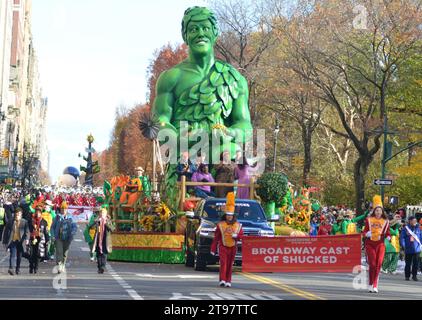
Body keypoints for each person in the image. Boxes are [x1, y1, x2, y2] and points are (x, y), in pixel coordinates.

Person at [210, 192, 243, 288]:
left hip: (233, 247)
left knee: (230, 264)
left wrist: (236, 236)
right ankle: (222, 280)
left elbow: (241, 236)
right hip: (223, 246)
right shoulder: (221, 224)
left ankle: (229, 280)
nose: (229, 217)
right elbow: (216, 237)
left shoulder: (238, 225)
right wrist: (213, 248)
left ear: (233, 216)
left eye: (231, 215)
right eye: (227, 215)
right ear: (225, 215)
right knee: (223, 263)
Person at [362, 205, 391, 293]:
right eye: (377, 210)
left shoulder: (386, 221)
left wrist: (389, 237)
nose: (378, 212)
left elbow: (388, 232)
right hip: (370, 244)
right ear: (374, 211)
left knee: (378, 264)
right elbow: (364, 232)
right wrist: (367, 234)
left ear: (382, 212)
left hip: (380, 244)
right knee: (373, 264)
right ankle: (370, 284)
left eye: (380, 211)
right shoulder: (369, 220)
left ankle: (375, 284)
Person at [51, 202, 78, 274]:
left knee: (65, 253)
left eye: (65, 208)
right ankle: (59, 265)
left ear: (67, 209)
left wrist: (72, 233)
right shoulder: (57, 217)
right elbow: (52, 227)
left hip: (67, 238)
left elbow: (74, 227)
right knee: (59, 252)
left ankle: (63, 264)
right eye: (62, 208)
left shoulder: (71, 217)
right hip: (58, 238)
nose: (63, 210)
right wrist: (53, 235)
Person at [2, 207, 30, 276]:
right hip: (13, 240)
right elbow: (6, 232)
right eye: (16, 214)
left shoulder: (24, 222)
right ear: (14, 214)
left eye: (19, 214)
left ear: (21, 215)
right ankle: (11, 268)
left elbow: (27, 231)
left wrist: (27, 239)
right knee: (12, 254)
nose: (17, 215)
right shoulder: (10, 221)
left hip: (21, 241)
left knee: (19, 256)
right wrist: (4, 242)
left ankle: (18, 269)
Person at [89, 207, 115, 274]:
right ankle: (99, 267)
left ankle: (102, 267)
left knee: (104, 253)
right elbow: (91, 227)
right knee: (98, 253)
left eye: (103, 213)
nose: (101, 214)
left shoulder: (108, 220)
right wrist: (95, 222)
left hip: (105, 239)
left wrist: (106, 223)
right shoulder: (97, 220)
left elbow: (112, 229)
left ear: (105, 214)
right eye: (100, 213)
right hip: (98, 239)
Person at [29, 208, 50, 274]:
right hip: (32, 238)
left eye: (39, 213)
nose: (37, 214)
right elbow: (28, 230)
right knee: (32, 254)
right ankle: (31, 266)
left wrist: (47, 240)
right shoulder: (31, 221)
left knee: (38, 254)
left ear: (41, 214)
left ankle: (36, 267)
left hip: (40, 239)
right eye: (36, 213)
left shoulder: (44, 222)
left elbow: (46, 232)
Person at [400, 216, 421, 281]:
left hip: (417, 249)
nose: (415, 222)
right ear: (410, 221)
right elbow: (402, 238)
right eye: (413, 221)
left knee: (416, 263)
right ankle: (407, 276)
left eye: (415, 221)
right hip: (408, 248)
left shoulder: (418, 229)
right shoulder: (405, 229)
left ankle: (414, 276)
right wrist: (404, 246)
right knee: (408, 263)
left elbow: (421, 237)